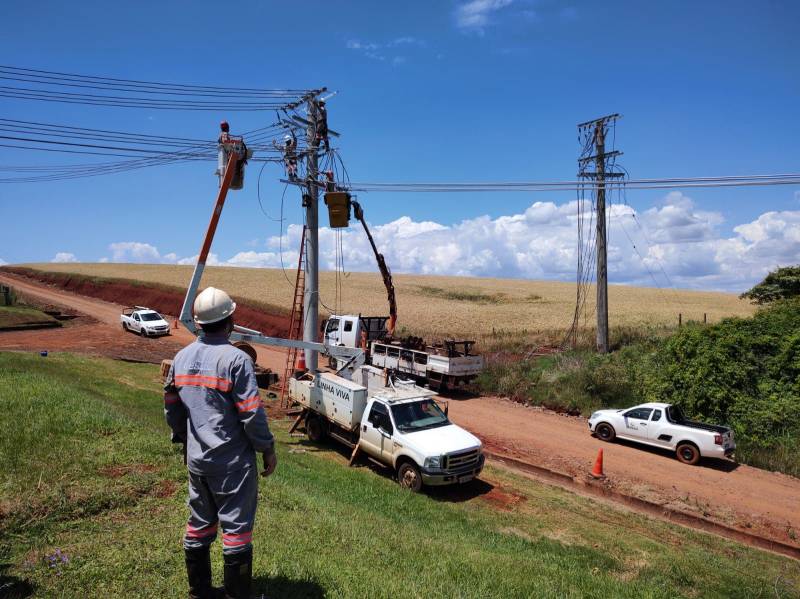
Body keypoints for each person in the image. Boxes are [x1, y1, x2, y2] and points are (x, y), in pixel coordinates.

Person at [164, 286, 277, 599]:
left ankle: (199, 592)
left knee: (200, 524)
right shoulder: (237, 361)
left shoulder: (181, 358)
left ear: (198, 323)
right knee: (237, 530)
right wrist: (266, 448)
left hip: (197, 461)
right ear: (230, 320)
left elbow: (172, 408)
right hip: (231, 464)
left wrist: (185, 440)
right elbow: (252, 415)